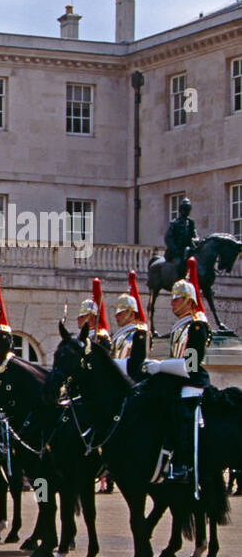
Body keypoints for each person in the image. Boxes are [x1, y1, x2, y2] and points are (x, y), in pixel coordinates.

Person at [145, 258, 211, 493]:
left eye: (177, 299)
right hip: (177, 380)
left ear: (189, 300)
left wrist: (161, 366)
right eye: (172, 299)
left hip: (193, 382)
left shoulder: (196, 325)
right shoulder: (179, 325)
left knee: (181, 414)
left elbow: (191, 365)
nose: (172, 303)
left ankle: (182, 463)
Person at [111, 271, 150, 377]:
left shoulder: (139, 333)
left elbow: (137, 362)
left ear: (132, 314)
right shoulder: (120, 334)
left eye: (120, 313)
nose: (116, 316)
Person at [77, 278, 111, 352]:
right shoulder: (81, 336)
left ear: (92, 318)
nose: (78, 319)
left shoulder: (101, 336)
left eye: (82, 317)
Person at [164, 197, 197, 267]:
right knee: (178, 264)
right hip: (177, 252)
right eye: (185, 209)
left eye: (188, 209)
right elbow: (168, 238)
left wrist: (196, 240)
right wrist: (175, 250)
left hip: (188, 251)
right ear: (181, 210)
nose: (187, 211)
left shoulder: (191, 222)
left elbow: (195, 235)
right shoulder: (175, 223)